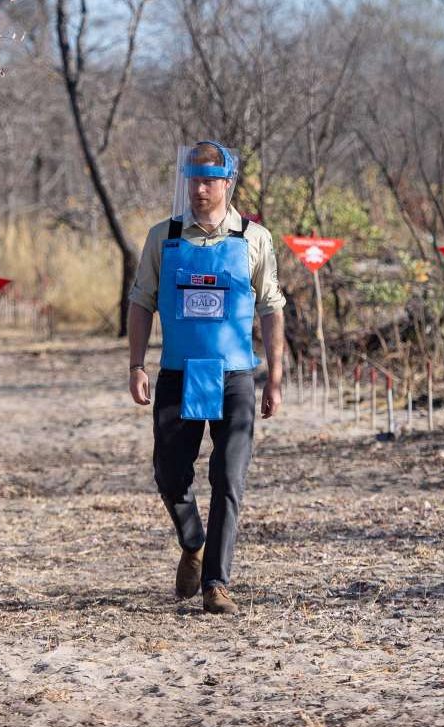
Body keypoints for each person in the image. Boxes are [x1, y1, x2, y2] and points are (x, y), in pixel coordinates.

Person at [126, 140, 286, 615]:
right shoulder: (164, 237)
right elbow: (140, 301)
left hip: (235, 374)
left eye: (210, 179)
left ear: (228, 182)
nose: (200, 188)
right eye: (193, 179)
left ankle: (216, 581)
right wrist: (137, 364)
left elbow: (272, 306)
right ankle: (192, 540)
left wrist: (274, 377)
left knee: (228, 477)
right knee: (170, 474)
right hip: (179, 372)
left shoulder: (254, 238)